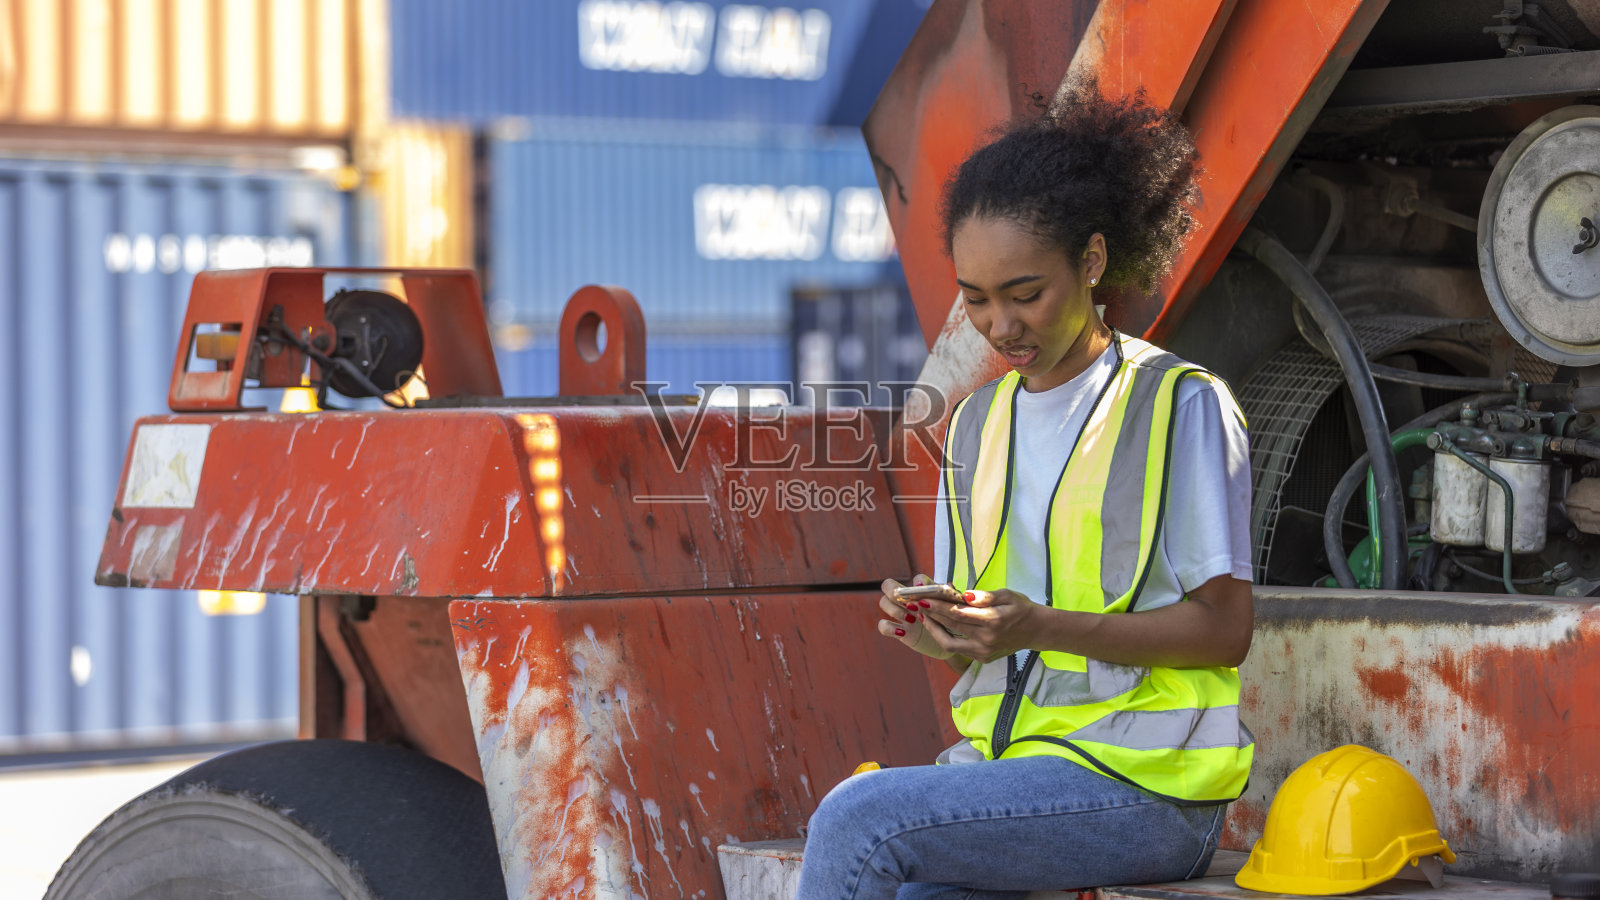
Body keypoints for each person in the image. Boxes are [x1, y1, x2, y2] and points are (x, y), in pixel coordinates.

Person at [794, 83, 1256, 899]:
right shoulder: (973, 427)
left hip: (1148, 793)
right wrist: (933, 626)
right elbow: (982, 647)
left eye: (1024, 294)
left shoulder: (1179, 405)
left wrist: (1042, 626)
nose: (1000, 325)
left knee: (855, 819)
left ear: (1093, 262)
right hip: (1010, 778)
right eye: (975, 299)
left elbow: (1224, 632)